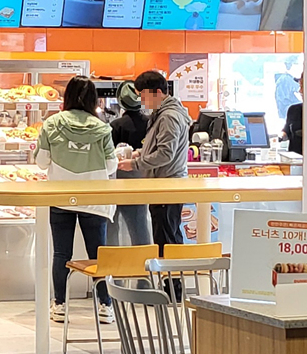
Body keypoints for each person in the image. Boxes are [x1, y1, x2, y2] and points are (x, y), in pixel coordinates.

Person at [34, 76, 117, 324]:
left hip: (61, 196)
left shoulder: (51, 124)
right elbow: (111, 165)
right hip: (93, 198)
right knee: (97, 253)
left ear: (67, 96)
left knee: (62, 253)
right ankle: (105, 305)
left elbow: (41, 162)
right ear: (93, 99)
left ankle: (60, 304)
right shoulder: (102, 128)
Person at [132, 70, 193, 247]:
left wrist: (136, 164)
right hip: (165, 183)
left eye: (143, 96)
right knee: (168, 235)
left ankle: (171, 267)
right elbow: (161, 146)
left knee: (166, 241)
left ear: (158, 92)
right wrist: (142, 153)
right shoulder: (164, 113)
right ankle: (172, 267)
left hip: (167, 184)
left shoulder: (168, 116)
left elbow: (166, 153)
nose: (142, 101)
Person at [109, 82, 153, 248]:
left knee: (111, 226)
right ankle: (143, 261)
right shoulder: (150, 123)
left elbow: (109, 155)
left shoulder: (115, 125)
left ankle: (112, 262)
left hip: (116, 179)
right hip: (141, 179)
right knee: (139, 226)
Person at [283, 75, 305, 154]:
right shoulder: (294, 110)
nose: (300, 91)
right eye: (300, 86)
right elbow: (286, 132)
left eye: (303, 87)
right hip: (295, 159)